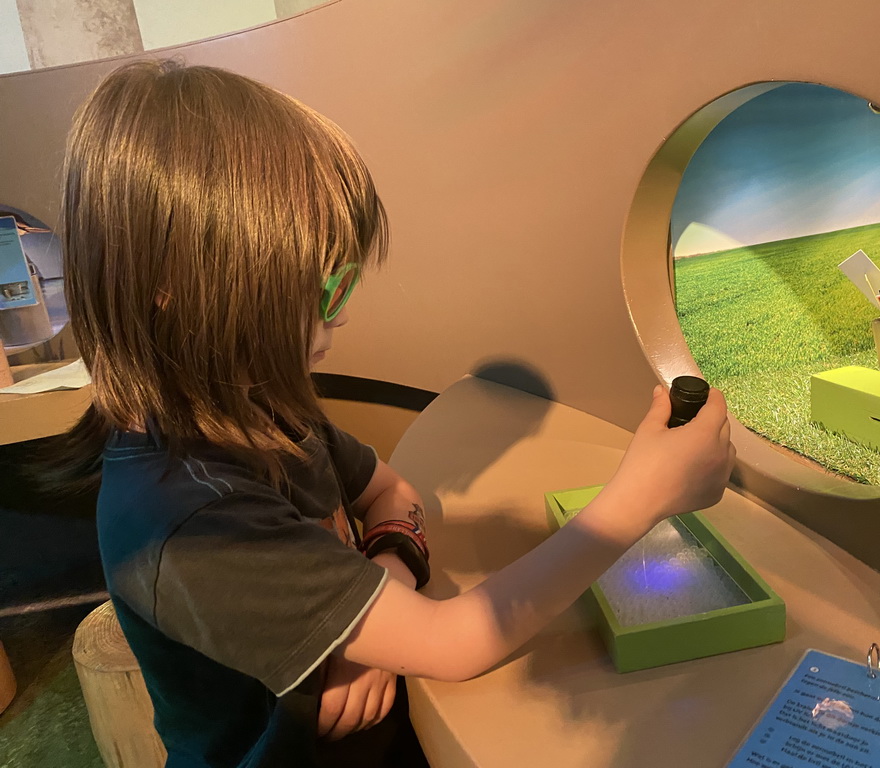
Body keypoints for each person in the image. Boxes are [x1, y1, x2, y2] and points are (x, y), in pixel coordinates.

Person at [54, 60, 735, 768]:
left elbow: (392, 491)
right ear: (175, 286)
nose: (338, 317)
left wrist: (372, 613)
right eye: (316, 288)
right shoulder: (187, 521)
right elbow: (456, 642)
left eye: (341, 283)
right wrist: (644, 496)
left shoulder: (261, 405)